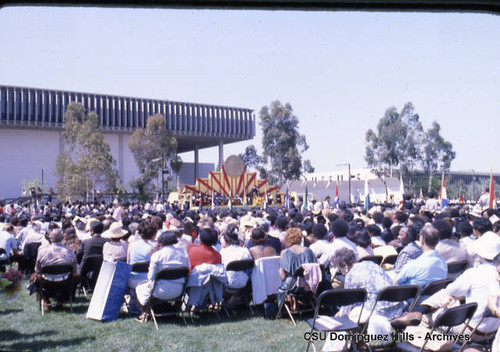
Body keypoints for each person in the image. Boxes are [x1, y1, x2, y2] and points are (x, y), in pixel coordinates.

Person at [391, 231, 500, 343]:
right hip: (492, 331)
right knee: (448, 295)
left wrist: (453, 296)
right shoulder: (495, 274)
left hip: (468, 332)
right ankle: (418, 312)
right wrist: (455, 297)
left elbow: (451, 290)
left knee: (427, 316)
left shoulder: (475, 273)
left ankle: (415, 324)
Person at [135, 231, 190, 323]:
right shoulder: (184, 254)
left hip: (160, 291)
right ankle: (150, 311)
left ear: (161, 242)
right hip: (179, 290)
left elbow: (150, 277)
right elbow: (187, 271)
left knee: (139, 288)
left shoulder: (157, 255)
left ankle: (144, 313)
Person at [31, 228, 80, 310]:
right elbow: (75, 270)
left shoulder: (42, 251)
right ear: (62, 238)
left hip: (46, 283)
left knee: (33, 278)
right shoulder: (69, 251)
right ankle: (63, 300)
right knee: (77, 277)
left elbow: (37, 270)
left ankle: (46, 301)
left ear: (50, 239)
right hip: (65, 283)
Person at [277, 227, 317, 308]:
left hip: (293, 286)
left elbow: (283, 276)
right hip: (308, 284)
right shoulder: (308, 251)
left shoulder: (285, 253)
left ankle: (283, 308)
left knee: (282, 285)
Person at [220, 224, 252, 289]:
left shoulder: (223, 252)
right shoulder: (245, 251)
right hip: (244, 281)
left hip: (227, 283)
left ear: (226, 240)